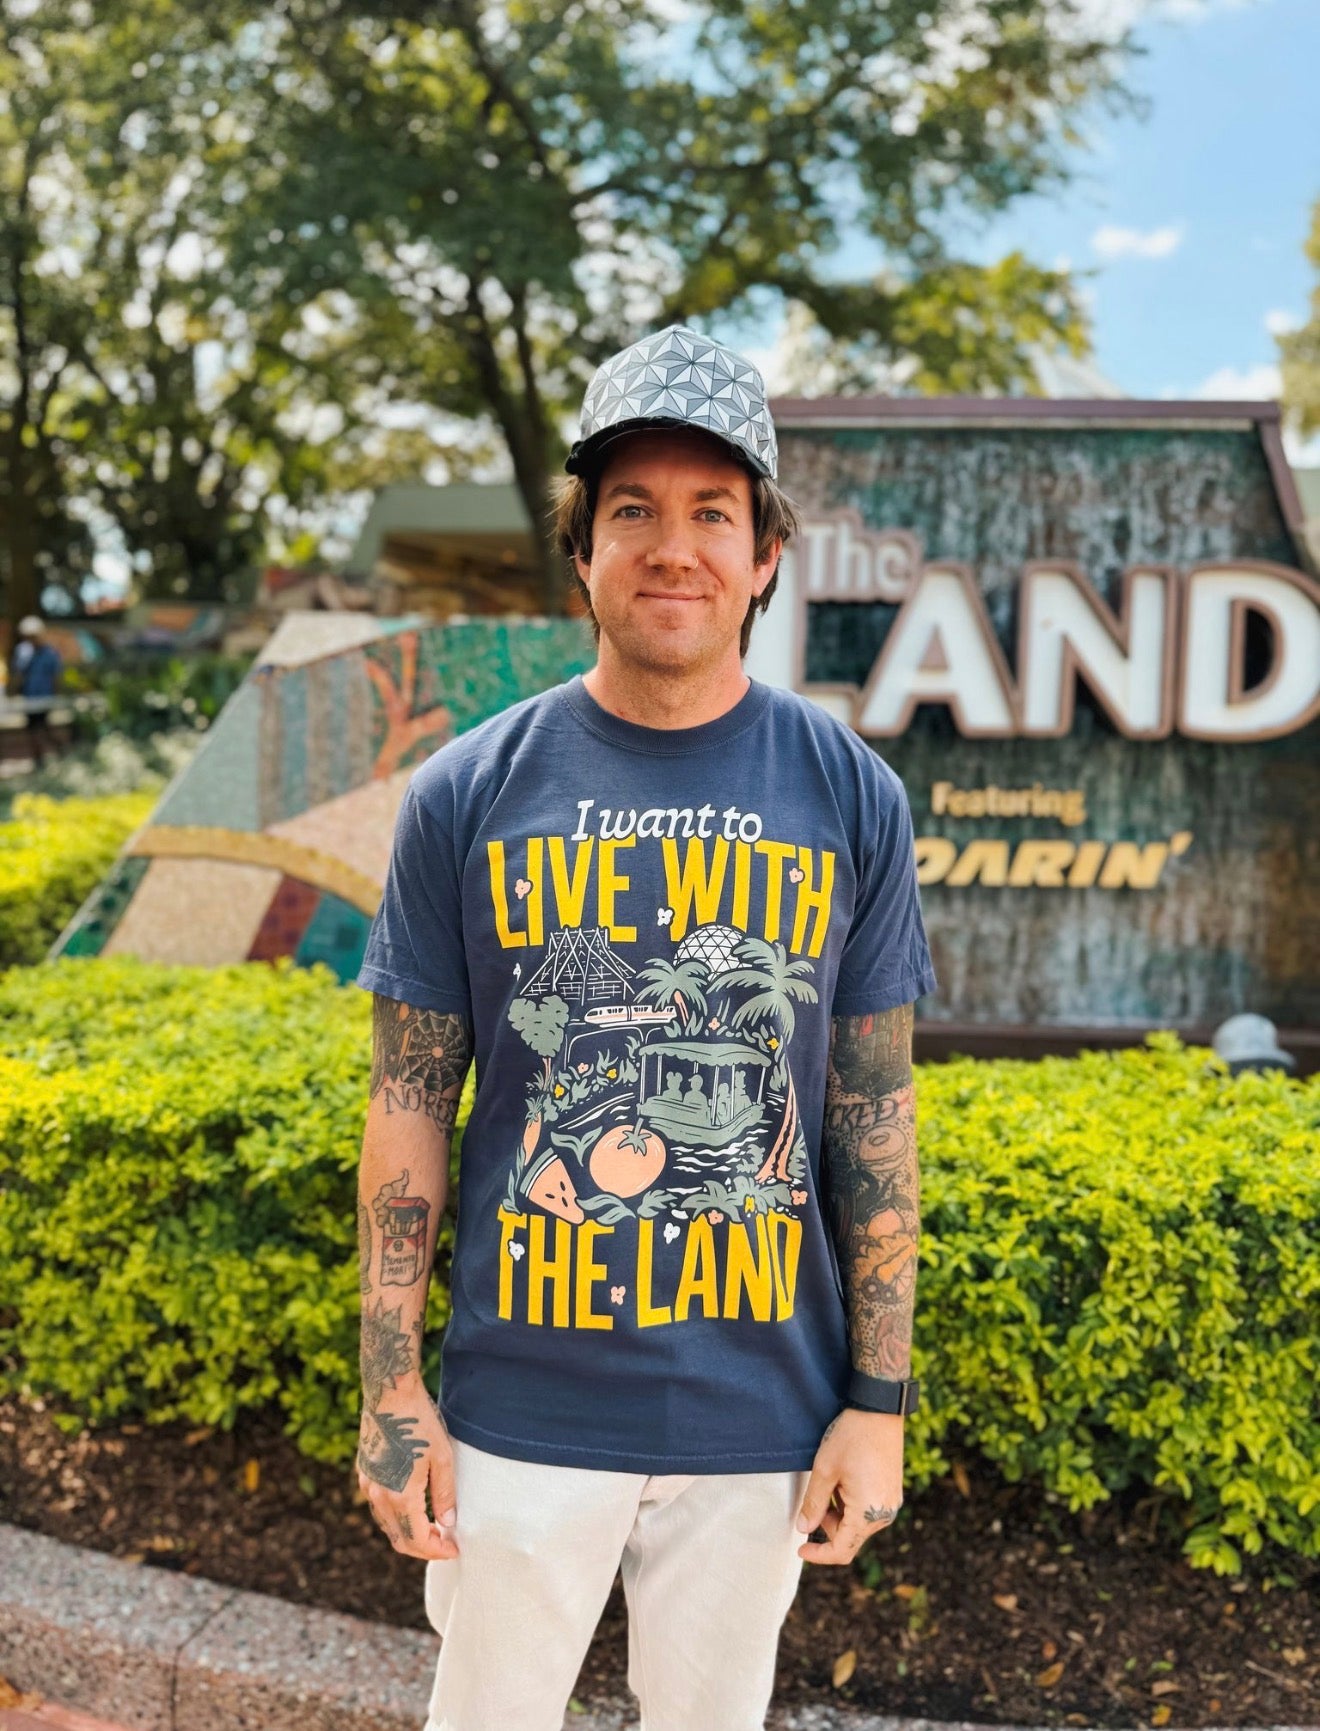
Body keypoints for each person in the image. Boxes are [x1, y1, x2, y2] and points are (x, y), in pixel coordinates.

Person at [355, 325, 938, 1731]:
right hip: (518, 1415)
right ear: (584, 549)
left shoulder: (850, 791)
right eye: (633, 510)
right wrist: (390, 1388)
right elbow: (409, 1101)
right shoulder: (465, 791)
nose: (674, 548)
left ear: (765, 554)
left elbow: (873, 1115)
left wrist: (879, 1399)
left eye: (712, 513)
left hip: (761, 1421)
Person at [8, 615, 63, 767]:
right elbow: (18, 674)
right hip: (29, 697)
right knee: (32, 729)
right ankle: (39, 760)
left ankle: (59, 751)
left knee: (43, 729)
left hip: (45, 697)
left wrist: (56, 697)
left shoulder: (50, 653)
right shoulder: (23, 652)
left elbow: (56, 677)